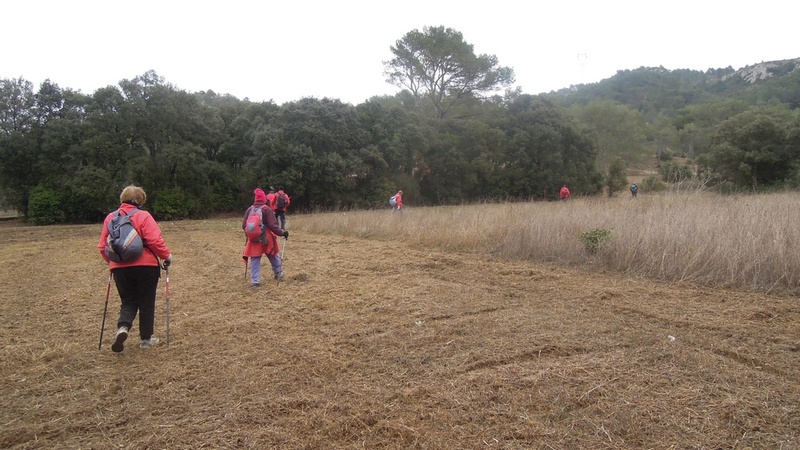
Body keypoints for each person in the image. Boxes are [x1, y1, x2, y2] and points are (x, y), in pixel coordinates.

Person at [97, 185, 173, 353]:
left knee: (128, 300)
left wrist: (112, 263)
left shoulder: (111, 218)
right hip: (146, 266)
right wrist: (167, 256)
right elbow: (154, 241)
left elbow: (103, 246)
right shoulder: (143, 216)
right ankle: (146, 339)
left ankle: (123, 327)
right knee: (146, 301)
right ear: (140, 200)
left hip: (119, 268)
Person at [243, 188, 289, 286]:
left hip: (253, 239)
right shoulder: (266, 209)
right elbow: (273, 226)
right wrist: (282, 233)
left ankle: (255, 281)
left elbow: (244, 226)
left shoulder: (250, 209)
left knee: (255, 258)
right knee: (272, 254)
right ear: (264, 199)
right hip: (266, 237)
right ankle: (279, 273)